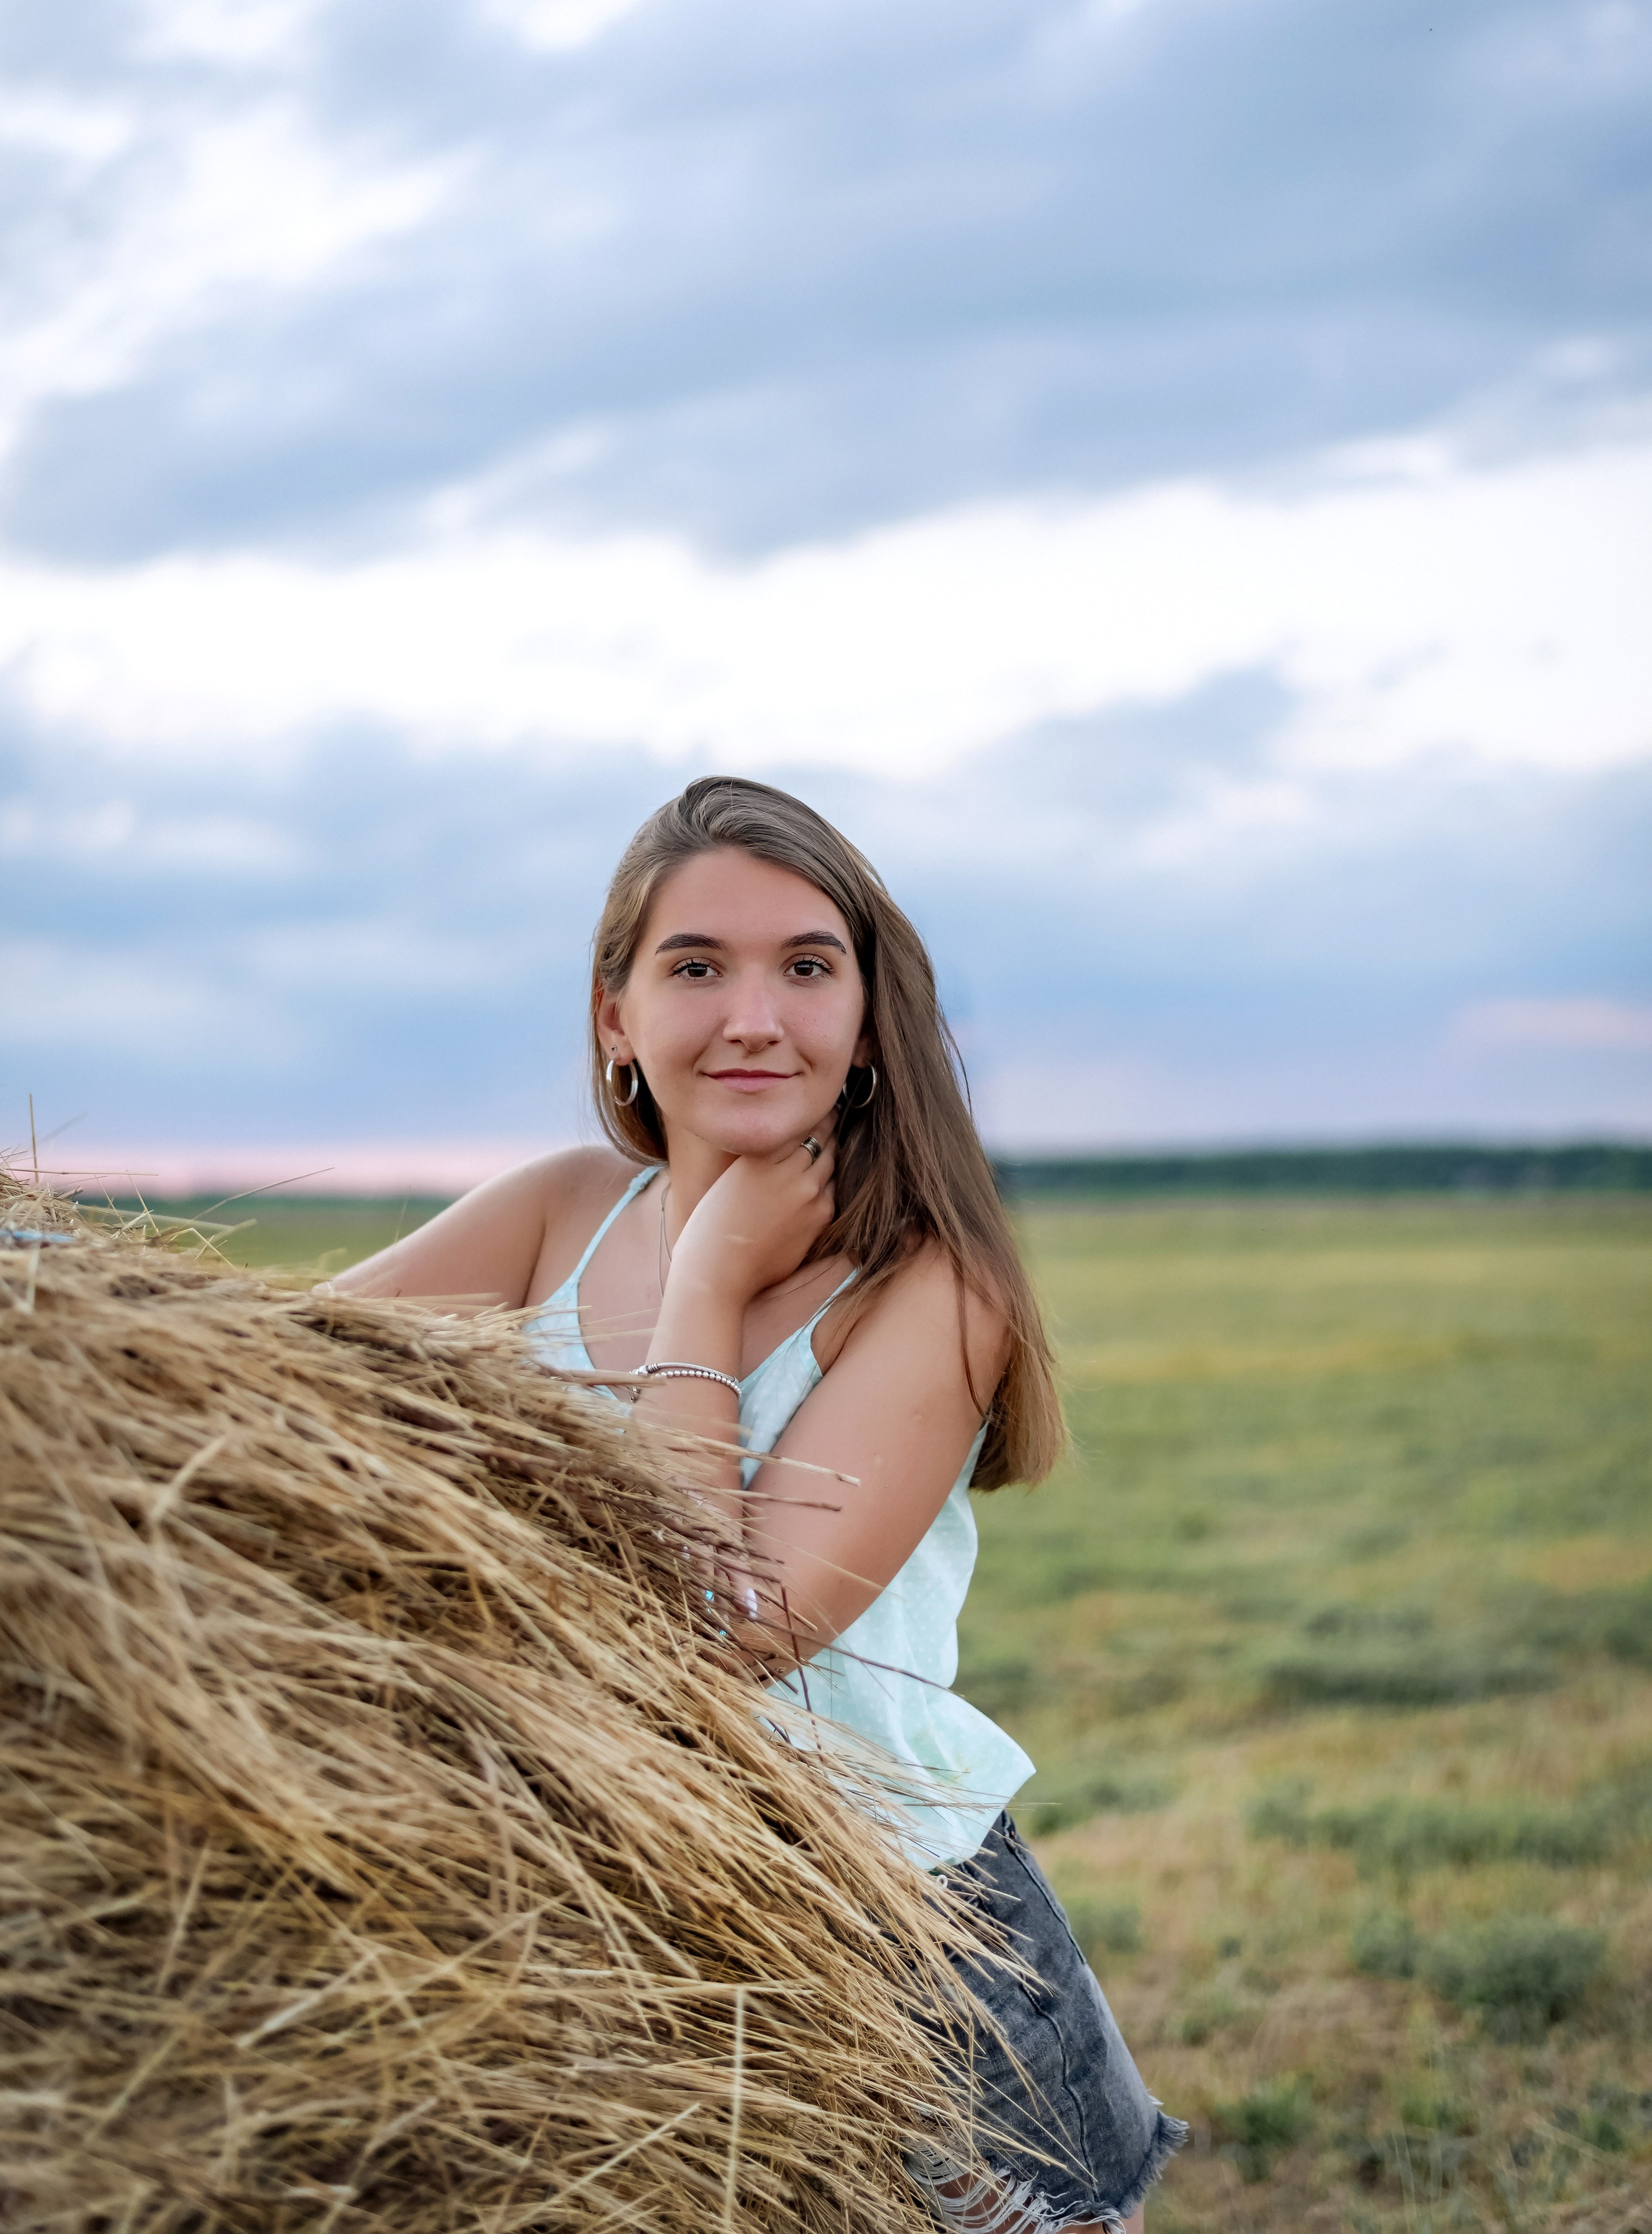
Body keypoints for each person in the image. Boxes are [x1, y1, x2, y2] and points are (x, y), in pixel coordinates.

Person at [331, 776, 1185, 2233]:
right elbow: (261, 1393)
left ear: (865, 1015)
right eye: (694, 966)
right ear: (615, 1017)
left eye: (805, 966)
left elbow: (723, 1637)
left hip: (900, 1970)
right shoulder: (554, 1208)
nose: (752, 1015)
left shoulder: (930, 1285)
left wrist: (708, 1291)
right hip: (600, 1917)